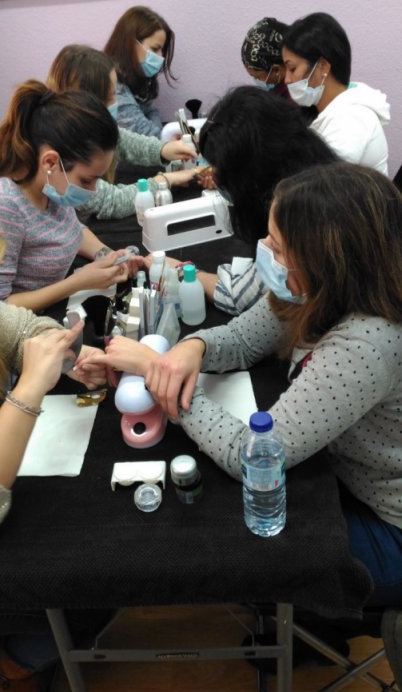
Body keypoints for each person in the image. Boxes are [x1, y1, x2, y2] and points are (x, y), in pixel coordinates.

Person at [83, 162, 402, 607]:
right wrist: (191, 347)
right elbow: (240, 338)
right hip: (341, 466)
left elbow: (252, 456)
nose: (263, 252)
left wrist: (157, 371)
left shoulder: (367, 343)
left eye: (277, 244)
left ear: (326, 257)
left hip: (385, 517)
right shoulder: (314, 289)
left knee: (243, 549)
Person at [0, 188, 109, 692]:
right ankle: (7, 669)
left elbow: (20, 327)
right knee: (97, 576)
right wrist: (27, 393)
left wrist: (69, 354)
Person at [164, 86, 337, 314]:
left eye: (223, 173)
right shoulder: (311, 162)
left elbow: (243, 295)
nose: (216, 178)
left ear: (250, 172)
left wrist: (181, 271)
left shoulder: (298, 212)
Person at [0, 80, 138, 312]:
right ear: (51, 162)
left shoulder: (48, 185)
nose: (92, 191)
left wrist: (106, 255)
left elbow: (71, 228)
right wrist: (77, 283)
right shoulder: (2, 206)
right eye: (86, 180)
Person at [46, 44, 200, 221]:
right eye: (111, 95)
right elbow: (111, 201)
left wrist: (164, 150)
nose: (116, 101)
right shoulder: (63, 149)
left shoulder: (87, 127)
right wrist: (166, 180)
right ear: (88, 100)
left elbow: (124, 141)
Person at [282, 12, 390, 174]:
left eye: (292, 69)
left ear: (323, 66)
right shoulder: (319, 110)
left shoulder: (352, 119)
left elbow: (318, 186)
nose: (287, 80)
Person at [103, 6, 175, 136]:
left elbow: (152, 111)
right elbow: (147, 137)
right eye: (154, 49)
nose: (161, 57)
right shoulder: (113, 85)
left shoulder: (138, 78)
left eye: (162, 50)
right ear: (131, 44)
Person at [241, 17, 289, 100]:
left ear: (276, 70)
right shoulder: (279, 90)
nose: (256, 81)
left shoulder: (296, 96)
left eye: (257, 78)